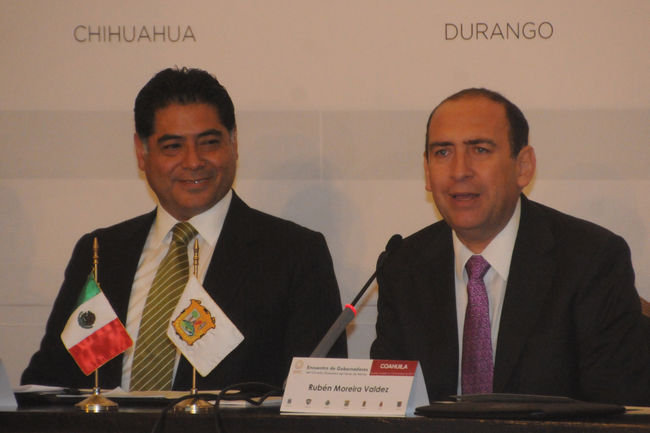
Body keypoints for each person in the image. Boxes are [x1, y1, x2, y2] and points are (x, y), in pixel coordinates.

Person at [22, 67, 347, 390]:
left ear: (234, 143)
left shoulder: (294, 255)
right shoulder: (101, 253)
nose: (193, 161)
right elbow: (47, 385)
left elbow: (318, 396)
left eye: (209, 143)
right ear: (141, 152)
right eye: (172, 147)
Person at [370, 88, 650, 405]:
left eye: (480, 150)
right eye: (443, 153)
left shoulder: (590, 260)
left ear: (523, 166)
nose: (459, 171)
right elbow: (389, 406)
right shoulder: (404, 266)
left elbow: (619, 409)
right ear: (427, 171)